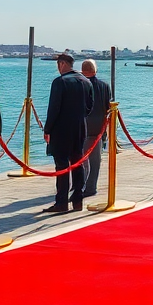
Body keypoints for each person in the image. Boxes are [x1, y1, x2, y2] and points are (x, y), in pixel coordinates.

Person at [43, 53, 92, 213]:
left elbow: (54, 108)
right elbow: (89, 108)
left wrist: (47, 129)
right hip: (80, 127)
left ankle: (61, 202)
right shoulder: (86, 81)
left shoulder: (59, 82)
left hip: (61, 129)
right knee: (78, 163)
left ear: (62, 64)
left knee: (62, 165)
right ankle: (78, 200)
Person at [80, 59, 111, 199]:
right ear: (95, 70)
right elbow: (108, 106)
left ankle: (81, 184)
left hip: (82, 126)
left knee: (80, 159)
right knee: (95, 160)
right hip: (99, 127)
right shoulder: (104, 86)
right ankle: (91, 186)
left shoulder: (79, 84)